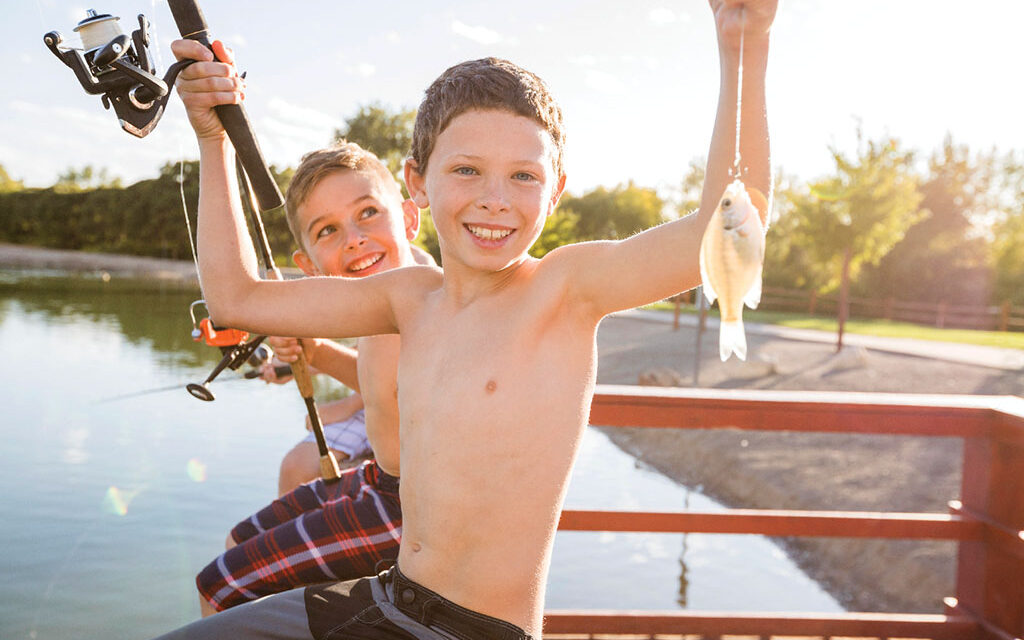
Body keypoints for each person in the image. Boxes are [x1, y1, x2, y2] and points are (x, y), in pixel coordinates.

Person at [158, 0, 776, 637]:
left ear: (555, 188)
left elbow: (729, 230)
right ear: (417, 183)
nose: (495, 199)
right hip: (389, 596)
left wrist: (743, 43)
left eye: (523, 176)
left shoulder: (564, 292)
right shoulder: (408, 298)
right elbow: (239, 300)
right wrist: (212, 139)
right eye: (466, 170)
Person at [192, 140, 434, 616]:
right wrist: (316, 351)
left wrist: (212, 137)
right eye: (328, 230)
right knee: (239, 538)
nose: (354, 239)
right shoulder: (387, 288)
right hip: (383, 481)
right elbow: (384, 389)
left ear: (409, 219)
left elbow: (232, 298)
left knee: (217, 589)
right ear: (309, 266)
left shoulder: (418, 296)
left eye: (368, 213)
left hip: (414, 511)